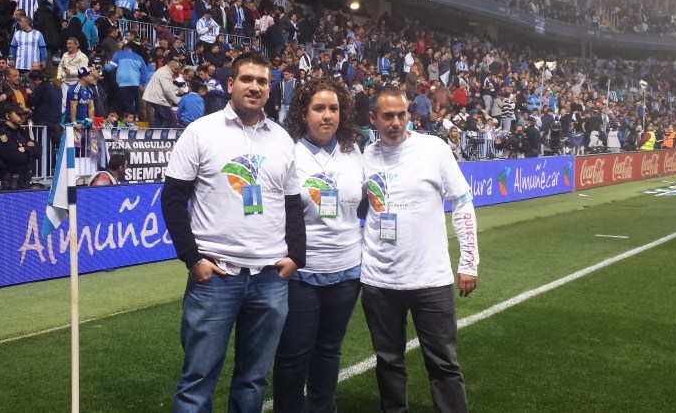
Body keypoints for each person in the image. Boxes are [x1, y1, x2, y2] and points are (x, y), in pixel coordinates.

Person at [161, 52, 306, 412]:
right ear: (230, 84)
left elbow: (292, 205)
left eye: (262, 81)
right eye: (247, 79)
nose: (254, 87)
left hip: (270, 278)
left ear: (269, 90)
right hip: (216, 277)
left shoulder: (282, 139)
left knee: (254, 380)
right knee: (197, 381)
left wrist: (296, 257)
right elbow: (173, 199)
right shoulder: (201, 132)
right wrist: (192, 259)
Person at [362, 86, 480, 412]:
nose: (397, 122)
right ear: (373, 118)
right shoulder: (364, 158)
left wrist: (469, 261)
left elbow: (462, 203)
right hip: (379, 281)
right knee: (388, 362)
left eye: (402, 115)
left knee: (443, 364)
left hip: (431, 280)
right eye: (388, 116)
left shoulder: (434, 149)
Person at [272, 76, 364, 412]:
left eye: (334, 109)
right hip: (301, 273)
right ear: (303, 113)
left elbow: (364, 205)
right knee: (293, 355)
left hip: (348, 271)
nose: (327, 115)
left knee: (329, 350)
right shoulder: (288, 153)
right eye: (319, 108)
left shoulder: (354, 152)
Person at [0, 102, 40, 190]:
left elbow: (38, 150)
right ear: (8, 116)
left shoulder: (21, 131)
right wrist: (29, 150)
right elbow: (15, 156)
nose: (22, 117)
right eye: (18, 114)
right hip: (11, 181)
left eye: (22, 114)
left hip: (25, 178)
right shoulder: (2, 134)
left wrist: (25, 149)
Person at [141, 60, 183, 128]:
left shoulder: (162, 71)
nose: (177, 71)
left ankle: (155, 136)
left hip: (155, 98)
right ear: (171, 66)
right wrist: (177, 101)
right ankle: (164, 137)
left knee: (158, 120)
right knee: (170, 120)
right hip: (159, 100)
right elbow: (167, 89)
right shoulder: (165, 73)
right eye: (176, 69)